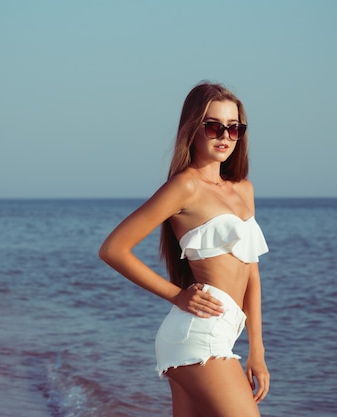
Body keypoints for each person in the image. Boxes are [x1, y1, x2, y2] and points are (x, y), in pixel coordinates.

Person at [99, 82, 270, 417]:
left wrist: (257, 351)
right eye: (213, 126)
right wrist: (176, 295)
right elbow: (113, 249)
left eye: (234, 128)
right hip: (197, 337)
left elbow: (251, 274)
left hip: (222, 336)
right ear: (194, 129)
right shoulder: (185, 186)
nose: (224, 136)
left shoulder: (244, 190)